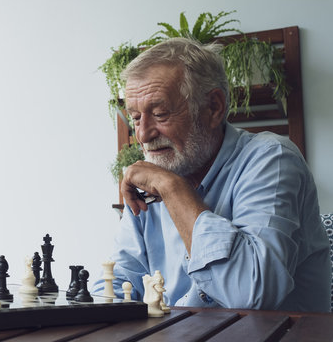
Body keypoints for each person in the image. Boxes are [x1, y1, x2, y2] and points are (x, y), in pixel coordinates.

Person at [94, 37, 331, 312]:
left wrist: (173, 190)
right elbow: (118, 282)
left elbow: (251, 296)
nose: (143, 134)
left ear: (214, 108)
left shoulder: (273, 159)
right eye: (135, 118)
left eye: (160, 114)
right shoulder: (153, 180)